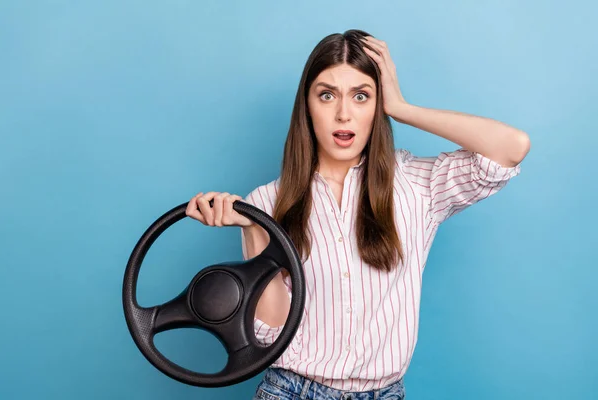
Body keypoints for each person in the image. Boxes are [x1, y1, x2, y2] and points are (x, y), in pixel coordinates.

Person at [185, 29, 530, 400]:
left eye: (361, 96)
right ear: (307, 105)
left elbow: (511, 147)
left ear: (377, 105)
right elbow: (272, 332)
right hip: (290, 391)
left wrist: (402, 108)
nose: (343, 114)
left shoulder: (416, 185)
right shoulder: (267, 201)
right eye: (327, 95)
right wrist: (254, 228)